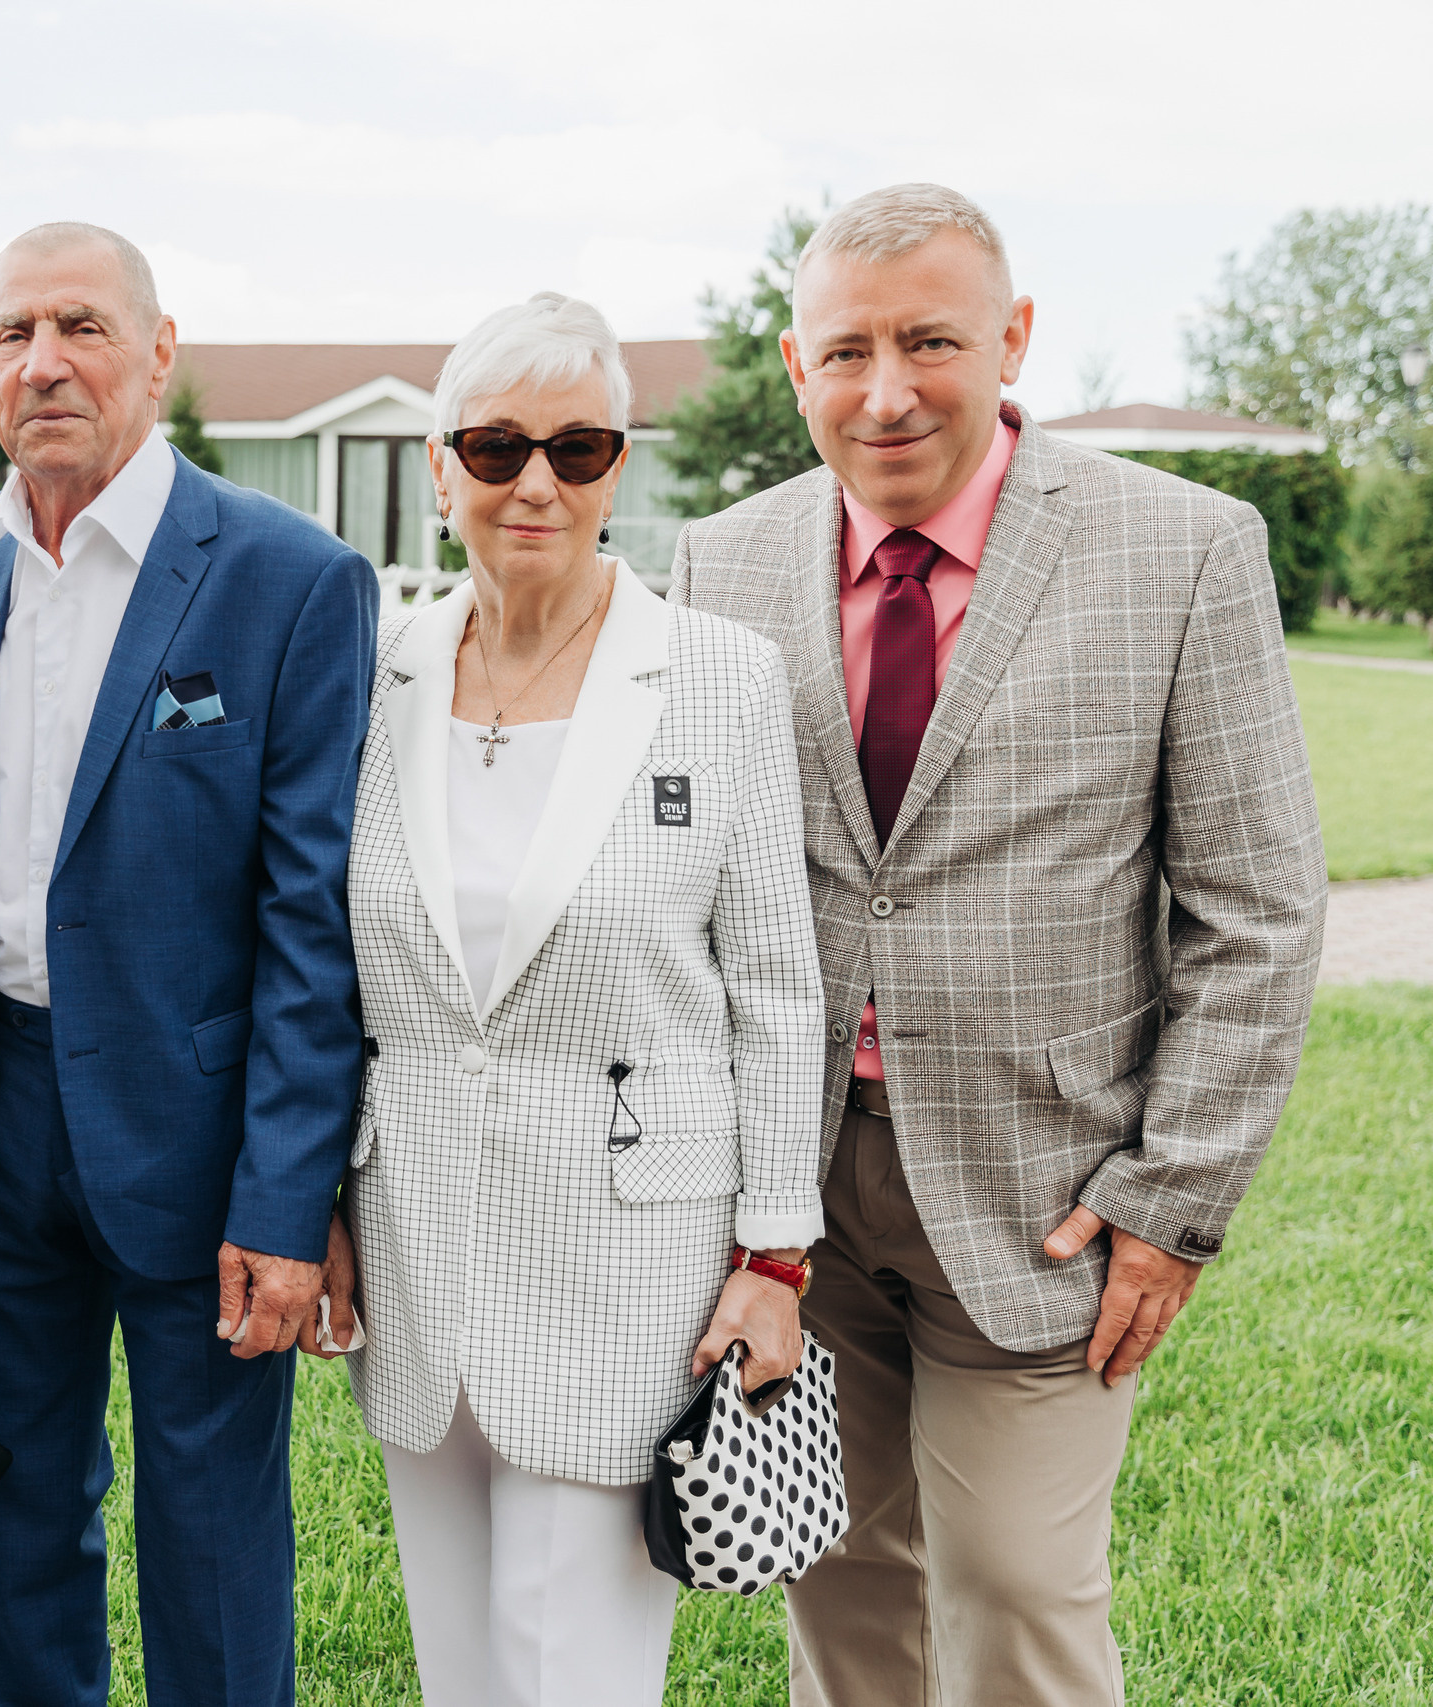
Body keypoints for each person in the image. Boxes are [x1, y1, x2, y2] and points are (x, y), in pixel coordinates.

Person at [669, 183, 1328, 1705]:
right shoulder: (723, 564)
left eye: (932, 342)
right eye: (847, 352)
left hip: (1052, 1201)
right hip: (790, 1194)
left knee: (1018, 1591)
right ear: (792, 365)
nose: (886, 391)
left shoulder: (1184, 550)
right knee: (835, 1576)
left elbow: (1258, 910)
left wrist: (1171, 1202)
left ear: (1015, 336)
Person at [309, 292, 827, 1707]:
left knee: (579, 1677)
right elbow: (337, 981)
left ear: (619, 466)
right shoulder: (376, 673)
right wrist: (323, 1208)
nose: (535, 481)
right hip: (414, 1247)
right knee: (461, 1672)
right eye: (494, 446)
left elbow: (779, 990)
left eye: (578, 447)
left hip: (628, 1268)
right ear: (438, 468)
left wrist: (776, 1260)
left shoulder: (719, 679)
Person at [0, 222, 377, 1706]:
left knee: (211, 1533)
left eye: (83, 327)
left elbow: (315, 921)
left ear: (159, 353)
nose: (42, 362)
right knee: (22, 1515)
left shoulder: (292, 581)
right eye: (10, 333)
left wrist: (287, 1201)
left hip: (201, 1137)